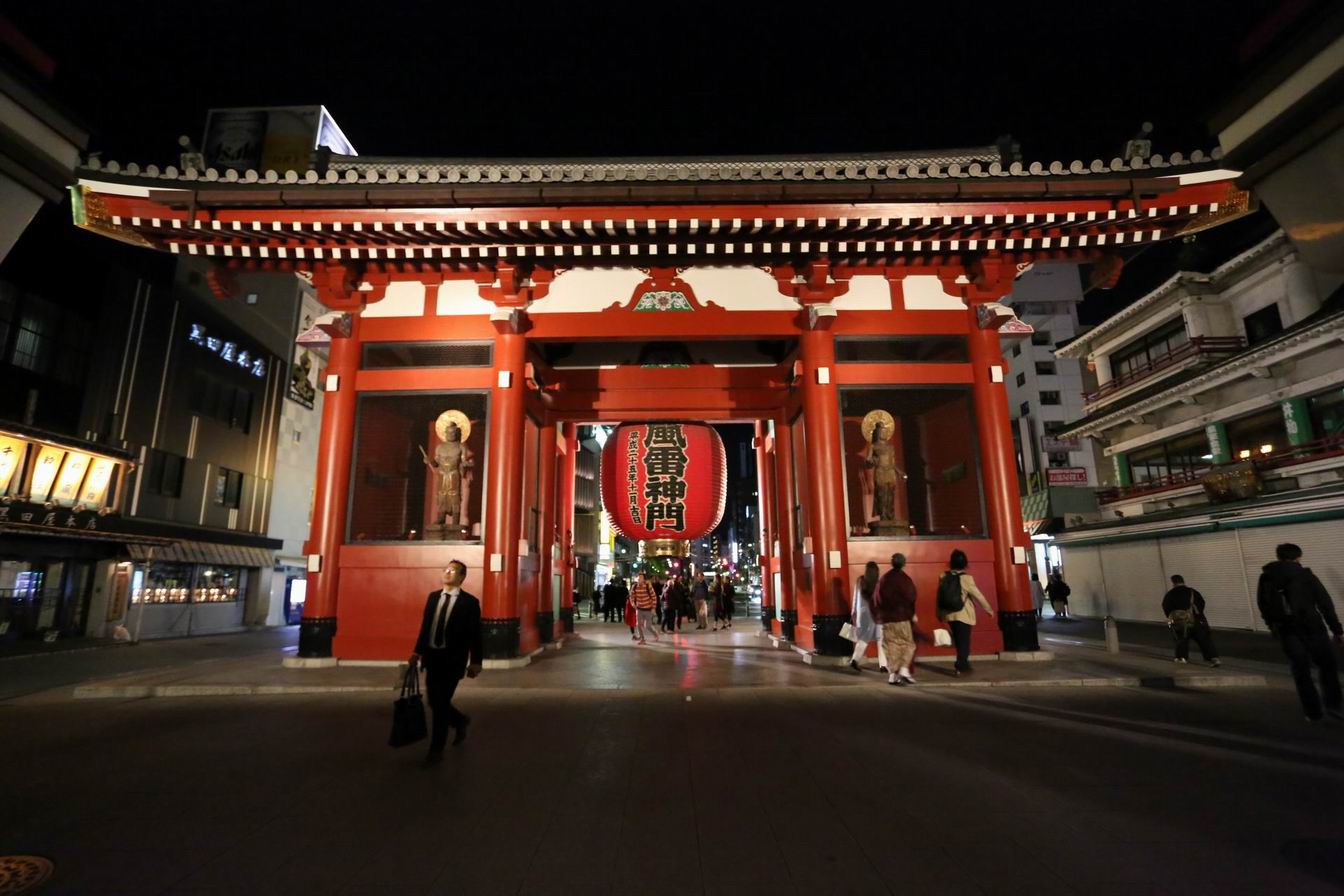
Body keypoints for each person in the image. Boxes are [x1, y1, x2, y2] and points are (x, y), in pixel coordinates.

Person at [1256, 543, 1343, 722]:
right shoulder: (1306, 576)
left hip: (1286, 630)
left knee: (1300, 669)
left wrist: (1272, 626)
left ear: (1279, 557)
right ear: (1298, 557)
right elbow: (1325, 604)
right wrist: (1337, 629)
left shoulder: (1266, 577)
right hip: (1312, 626)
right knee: (1327, 666)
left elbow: (1263, 604)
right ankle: (1333, 705)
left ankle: (1312, 712)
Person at [408, 561, 483, 766]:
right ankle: (460, 721)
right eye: (445, 570)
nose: (447, 573)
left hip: (453, 660)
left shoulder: (469, 602)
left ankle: (436, 751)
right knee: (434, 701)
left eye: (452, 571)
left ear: (461, 577)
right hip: (432, 658)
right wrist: (417, 651)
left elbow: (475, 634)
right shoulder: (433, 598)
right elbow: (426, 627)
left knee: (440, 705)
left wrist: (476, 661)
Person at [937, 549, 994, 675]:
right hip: (963, 615)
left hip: (949, 614)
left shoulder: (943, 576)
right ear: (965, 563)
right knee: (964, 641)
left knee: (959, 641)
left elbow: (939, 596)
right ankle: (960, 666)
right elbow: (978, 596)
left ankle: (963, 663)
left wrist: (939, 613)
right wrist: (988, 609)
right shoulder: (967, 579)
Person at [876, 553, 919, 685]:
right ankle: (904, 669)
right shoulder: (905, 580)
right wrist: (911, 613)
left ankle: (892, 675)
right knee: (908, 644)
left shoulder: (884, 579)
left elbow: (877, 598)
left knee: (891, 645)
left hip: (887, 619)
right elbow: (911, 596)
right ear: (903, 563)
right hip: (902, 617)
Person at [1162, 574, 1220, 667]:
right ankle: (1213, 658)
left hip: (1180, 622)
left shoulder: (1170, 594)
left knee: (1181, 639)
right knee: (1204, 640)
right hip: (1197, 620)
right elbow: (1202, 603)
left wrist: (1173, 618)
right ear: (1183, 581)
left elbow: (1166, 607)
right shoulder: (1193, 592)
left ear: (1173, 583)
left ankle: (1182, 657)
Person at [848, 561, 882, 672]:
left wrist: (853, 611)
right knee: (880, 638)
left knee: (864, 637)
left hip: (862, 614)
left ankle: (855, 659)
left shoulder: (860, 581)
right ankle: (883, 665)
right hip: (876, 613)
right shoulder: (878, 583)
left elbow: (855, 598)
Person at [629, 571, 660, 645]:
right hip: (639, 608)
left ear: (644, 579)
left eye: (641, 577)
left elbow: (654, 597)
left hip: (648, 609)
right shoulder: (635, 586)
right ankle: (642, 639)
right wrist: (633, 604)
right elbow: (632, 596)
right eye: (639, 577)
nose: (640, 579)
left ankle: (655, 634)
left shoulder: (647, 586)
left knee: (647, 626)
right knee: (638, 624)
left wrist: (653, 608)